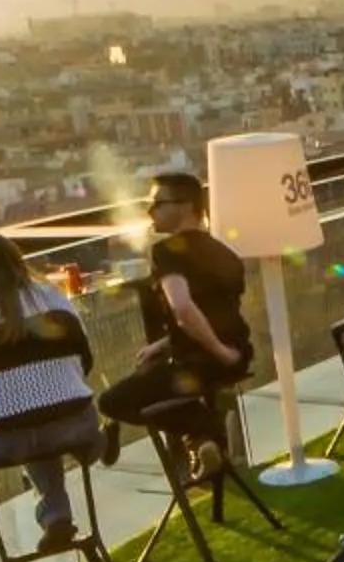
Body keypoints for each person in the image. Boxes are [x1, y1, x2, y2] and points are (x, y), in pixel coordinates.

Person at [0, 231, 102, 553]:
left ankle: (55, 515)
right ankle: (95, 443)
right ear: (15, 258)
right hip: (74, 424)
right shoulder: (51, 296)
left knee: (27, 431)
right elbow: (84, 360)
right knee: (46, 429)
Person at [96, 172, 252, 465]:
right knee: (151, 383)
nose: (150, 211)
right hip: (239, 353)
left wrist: (218, 351)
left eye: (157, 203)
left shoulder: (166, 252)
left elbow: (183, 309)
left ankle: (207, 431)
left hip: (201, 363)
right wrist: (164, 345)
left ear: (185, 206)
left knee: (112, 401)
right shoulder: (224, 252)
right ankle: (203, 442)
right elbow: (215, 313)